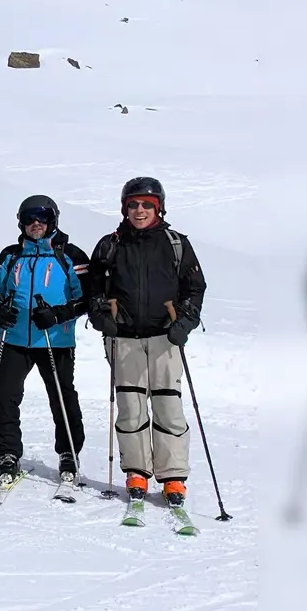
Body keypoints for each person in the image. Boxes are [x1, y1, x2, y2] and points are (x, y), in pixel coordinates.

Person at [86, 178, 206, 507]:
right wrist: (101, 317)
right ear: (124, 207)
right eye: (133, 204)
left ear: (158, 208)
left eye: (147, 205)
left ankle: (173, 476)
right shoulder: (110, 245)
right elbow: (93, 289)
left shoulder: (175, 243)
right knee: (131, 407)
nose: (139, 210)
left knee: (168, 406)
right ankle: (137, 471)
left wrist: (185, 323)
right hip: (124, 338)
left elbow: (195, 287)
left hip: (165, 336)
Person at [0, 195, 91, 484]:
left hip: (55, 339)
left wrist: (57, 315)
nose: (35, 224)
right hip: (16, 338)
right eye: (29, 218)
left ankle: (68, 451)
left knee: (62, 396)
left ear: (52, 220)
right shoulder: (10, 255)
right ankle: (8, 453)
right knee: (6, 396)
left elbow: (88, 298)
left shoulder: (70, 255)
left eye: (41, 218)